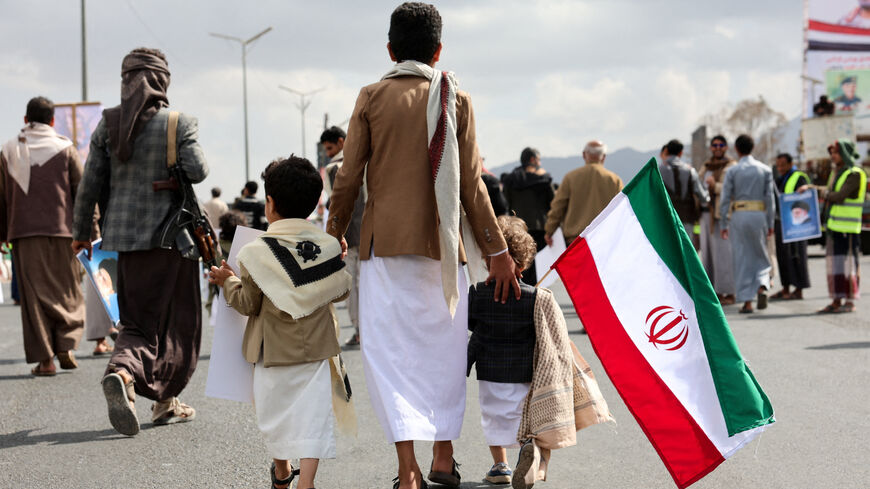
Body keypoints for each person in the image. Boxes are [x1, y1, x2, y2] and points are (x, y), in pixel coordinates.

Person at [327, 4, 518, 488]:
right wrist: (497, 253)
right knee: (443, 357)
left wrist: (332, 234)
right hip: (444, 252)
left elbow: (348, 177)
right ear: (438, 50)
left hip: (383, 250)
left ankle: (406, 470)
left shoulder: (371, 96)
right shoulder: (456, 97)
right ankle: (443, 456)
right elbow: (472, 187)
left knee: (391, 359)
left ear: (390, 49)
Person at [72, 48, 208, 436]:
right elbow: (198, 170)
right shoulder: (178, 123)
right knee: (176, 321)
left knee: (137, 318)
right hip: (171, 243)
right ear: (162, 81)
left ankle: (146, 389)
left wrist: (82, 233)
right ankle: (136, 381)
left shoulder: (107, 125)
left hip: (122, 242)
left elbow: (89, 186)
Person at [209, 156, 352, 489]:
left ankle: (283, 471)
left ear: (269, 204)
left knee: (276, 419)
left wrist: (227, 282)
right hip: (316, 352)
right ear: (315, 202)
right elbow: (339, 292)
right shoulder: (328, 247)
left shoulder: (256, 252)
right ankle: (308, 483)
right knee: (313, 420)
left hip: (272, 354)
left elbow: (247, 303)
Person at [0, 96, 86, 376]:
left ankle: (46, 361)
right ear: (52, 121)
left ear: (25, 120)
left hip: (23, 234)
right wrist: (89, 232)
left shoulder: (8, 150)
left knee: (34, 298)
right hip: (64, 232)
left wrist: (2, 235)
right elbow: (83, 194)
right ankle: (67, 342)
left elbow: (1, 198)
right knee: (68, 289)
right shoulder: (66, 148)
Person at [799, 139, 866, 314]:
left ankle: (849, 301)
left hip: (848, 230)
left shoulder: (855, 173)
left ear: (845, 154)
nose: (833, 156)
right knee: (834, 267)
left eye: (836, 152)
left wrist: (821, 192)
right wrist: (811, 187)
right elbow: (830, 191)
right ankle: (836, 301)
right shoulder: (837, 172)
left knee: (848, 267)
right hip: (834, 227)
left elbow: (839, 196)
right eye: (832, 153)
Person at [719, 135, 776, 314]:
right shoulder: (765, 169)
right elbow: (770, 199)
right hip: (759, 215)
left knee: (742, 257)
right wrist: (771, 222)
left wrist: (723, 223)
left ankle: (747, 302)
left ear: (736, 149)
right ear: (752, 147)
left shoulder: (733, 171)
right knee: (760, 253)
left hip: (739, 215)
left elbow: (725, 199)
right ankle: (762, 285)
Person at [321, 125, 365, 347]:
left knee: (352, 285)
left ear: (340, 142)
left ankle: (359, 332)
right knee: (369, 283)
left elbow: (334, 205)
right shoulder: (366, 158)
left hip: (349, 236)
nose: (327, 153)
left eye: (329, 148)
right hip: (373, 233)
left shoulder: (332, 169)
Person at [544, 140, 623, 247]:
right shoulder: (614, 180)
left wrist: (549, 230)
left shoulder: (570, 177)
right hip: (604, 240)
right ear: (603, 157)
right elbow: (621, 210)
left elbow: (558, 206)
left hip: (576, 241)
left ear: (584, 155)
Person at [501, 147, 554, 286]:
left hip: (519, 226)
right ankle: (533, 287)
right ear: (533, 159)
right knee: (535, 260)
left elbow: (506, 202)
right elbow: (552, 203)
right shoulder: (543, 179)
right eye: (539, 159)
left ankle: (520, 284)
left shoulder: (511, 179)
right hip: (539, 227)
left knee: (520, 257)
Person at [698, 135, 737, 305]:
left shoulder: (731, 166)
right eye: (715, 145)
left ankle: (728, 292)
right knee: (707, 255)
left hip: (721, 215)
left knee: (723, 255)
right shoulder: (705, 166)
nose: (718, 147)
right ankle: (713, 291)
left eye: (721, 144)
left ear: (726, 147)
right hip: (705, 214)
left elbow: (734, 189)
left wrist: (715, 186)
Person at [771, 153, 811, 300]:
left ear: (790, 164)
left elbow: (805, 199)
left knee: (797, 255)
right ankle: (786, 288)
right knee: (783, 256)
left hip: (797, 226)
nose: (780, 168)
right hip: (781, 222)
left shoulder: (799, 177)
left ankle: (799, 289)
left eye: (783, 165)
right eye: (778, 165)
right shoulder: (779, 179)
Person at [659, 139, 710, 238]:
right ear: (681, 153)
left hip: (665, 219)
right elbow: (703, 197)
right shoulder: (690, 171)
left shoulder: (658, 170)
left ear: (667, 151)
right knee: (685, 249)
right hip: (686, 219)